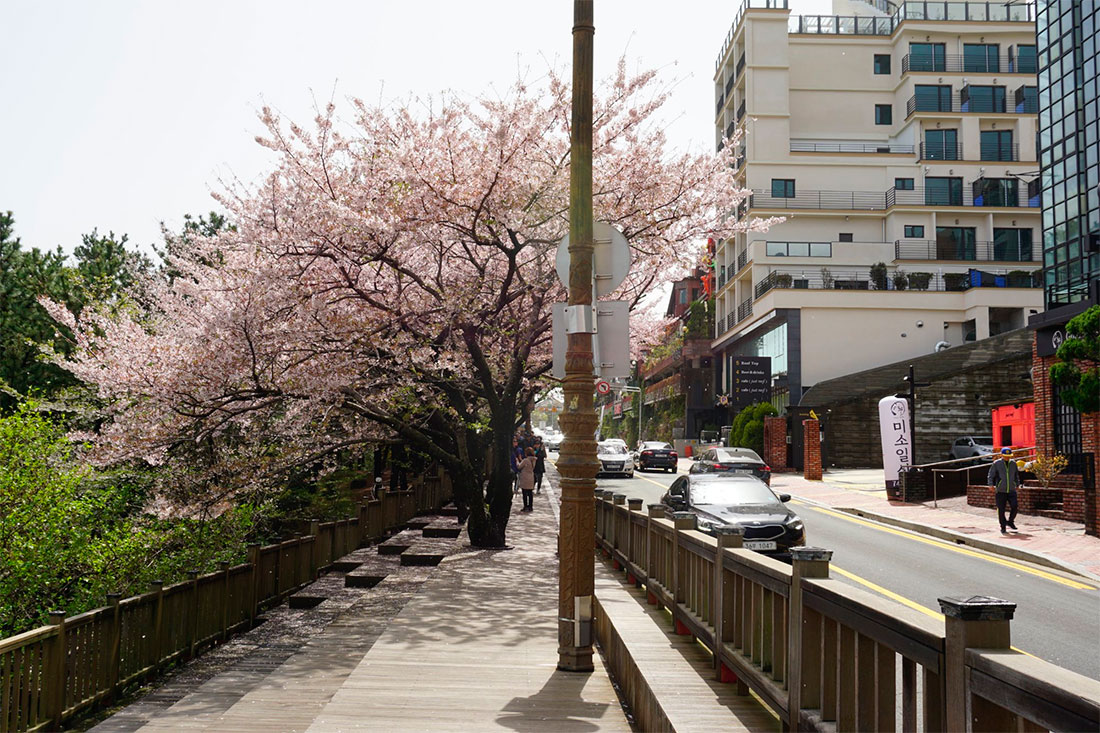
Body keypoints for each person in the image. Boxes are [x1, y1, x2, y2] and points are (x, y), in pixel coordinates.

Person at [987, 447, 1020, 534]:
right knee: (1001, 509)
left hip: (1012, 490)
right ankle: (1003, 526)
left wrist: (1017, 484)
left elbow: (1016, 475)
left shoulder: (1013, 463)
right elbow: (991, 475)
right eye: (1006, 456)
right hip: (1001, 491)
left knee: (1015, 506)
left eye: (1009, 456)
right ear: (1001, 455)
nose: (1007, 457)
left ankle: (1010, 521)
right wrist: (990, 485)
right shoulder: (997, 463)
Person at [517, 447, 536, 511]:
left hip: (525, 477)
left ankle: (525, 506)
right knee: (530, 493)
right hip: (531, 477)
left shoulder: (525, 460)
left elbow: (519, 467)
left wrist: (517, 461)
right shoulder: (534, 460)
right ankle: (530, 506)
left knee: (524, 493)